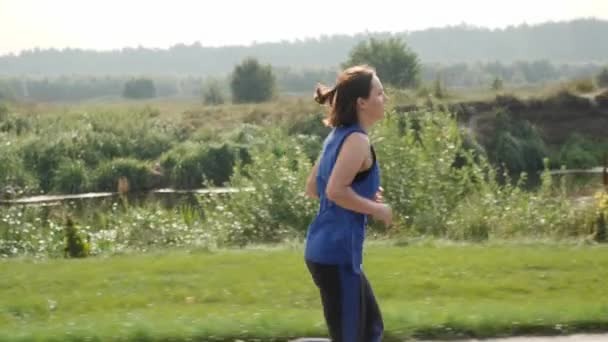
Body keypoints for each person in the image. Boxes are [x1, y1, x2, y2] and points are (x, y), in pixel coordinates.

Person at [303, 65, 392, 342]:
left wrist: (362, 199)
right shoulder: (357, 140)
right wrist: (376, 208)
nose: (385, 98)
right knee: (355, 336)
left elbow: (313, 188)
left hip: (325, 250)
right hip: (337, 253)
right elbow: (334, 191)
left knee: (370, 328)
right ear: (361, 103)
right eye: (379, 93)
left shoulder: (338, 136)